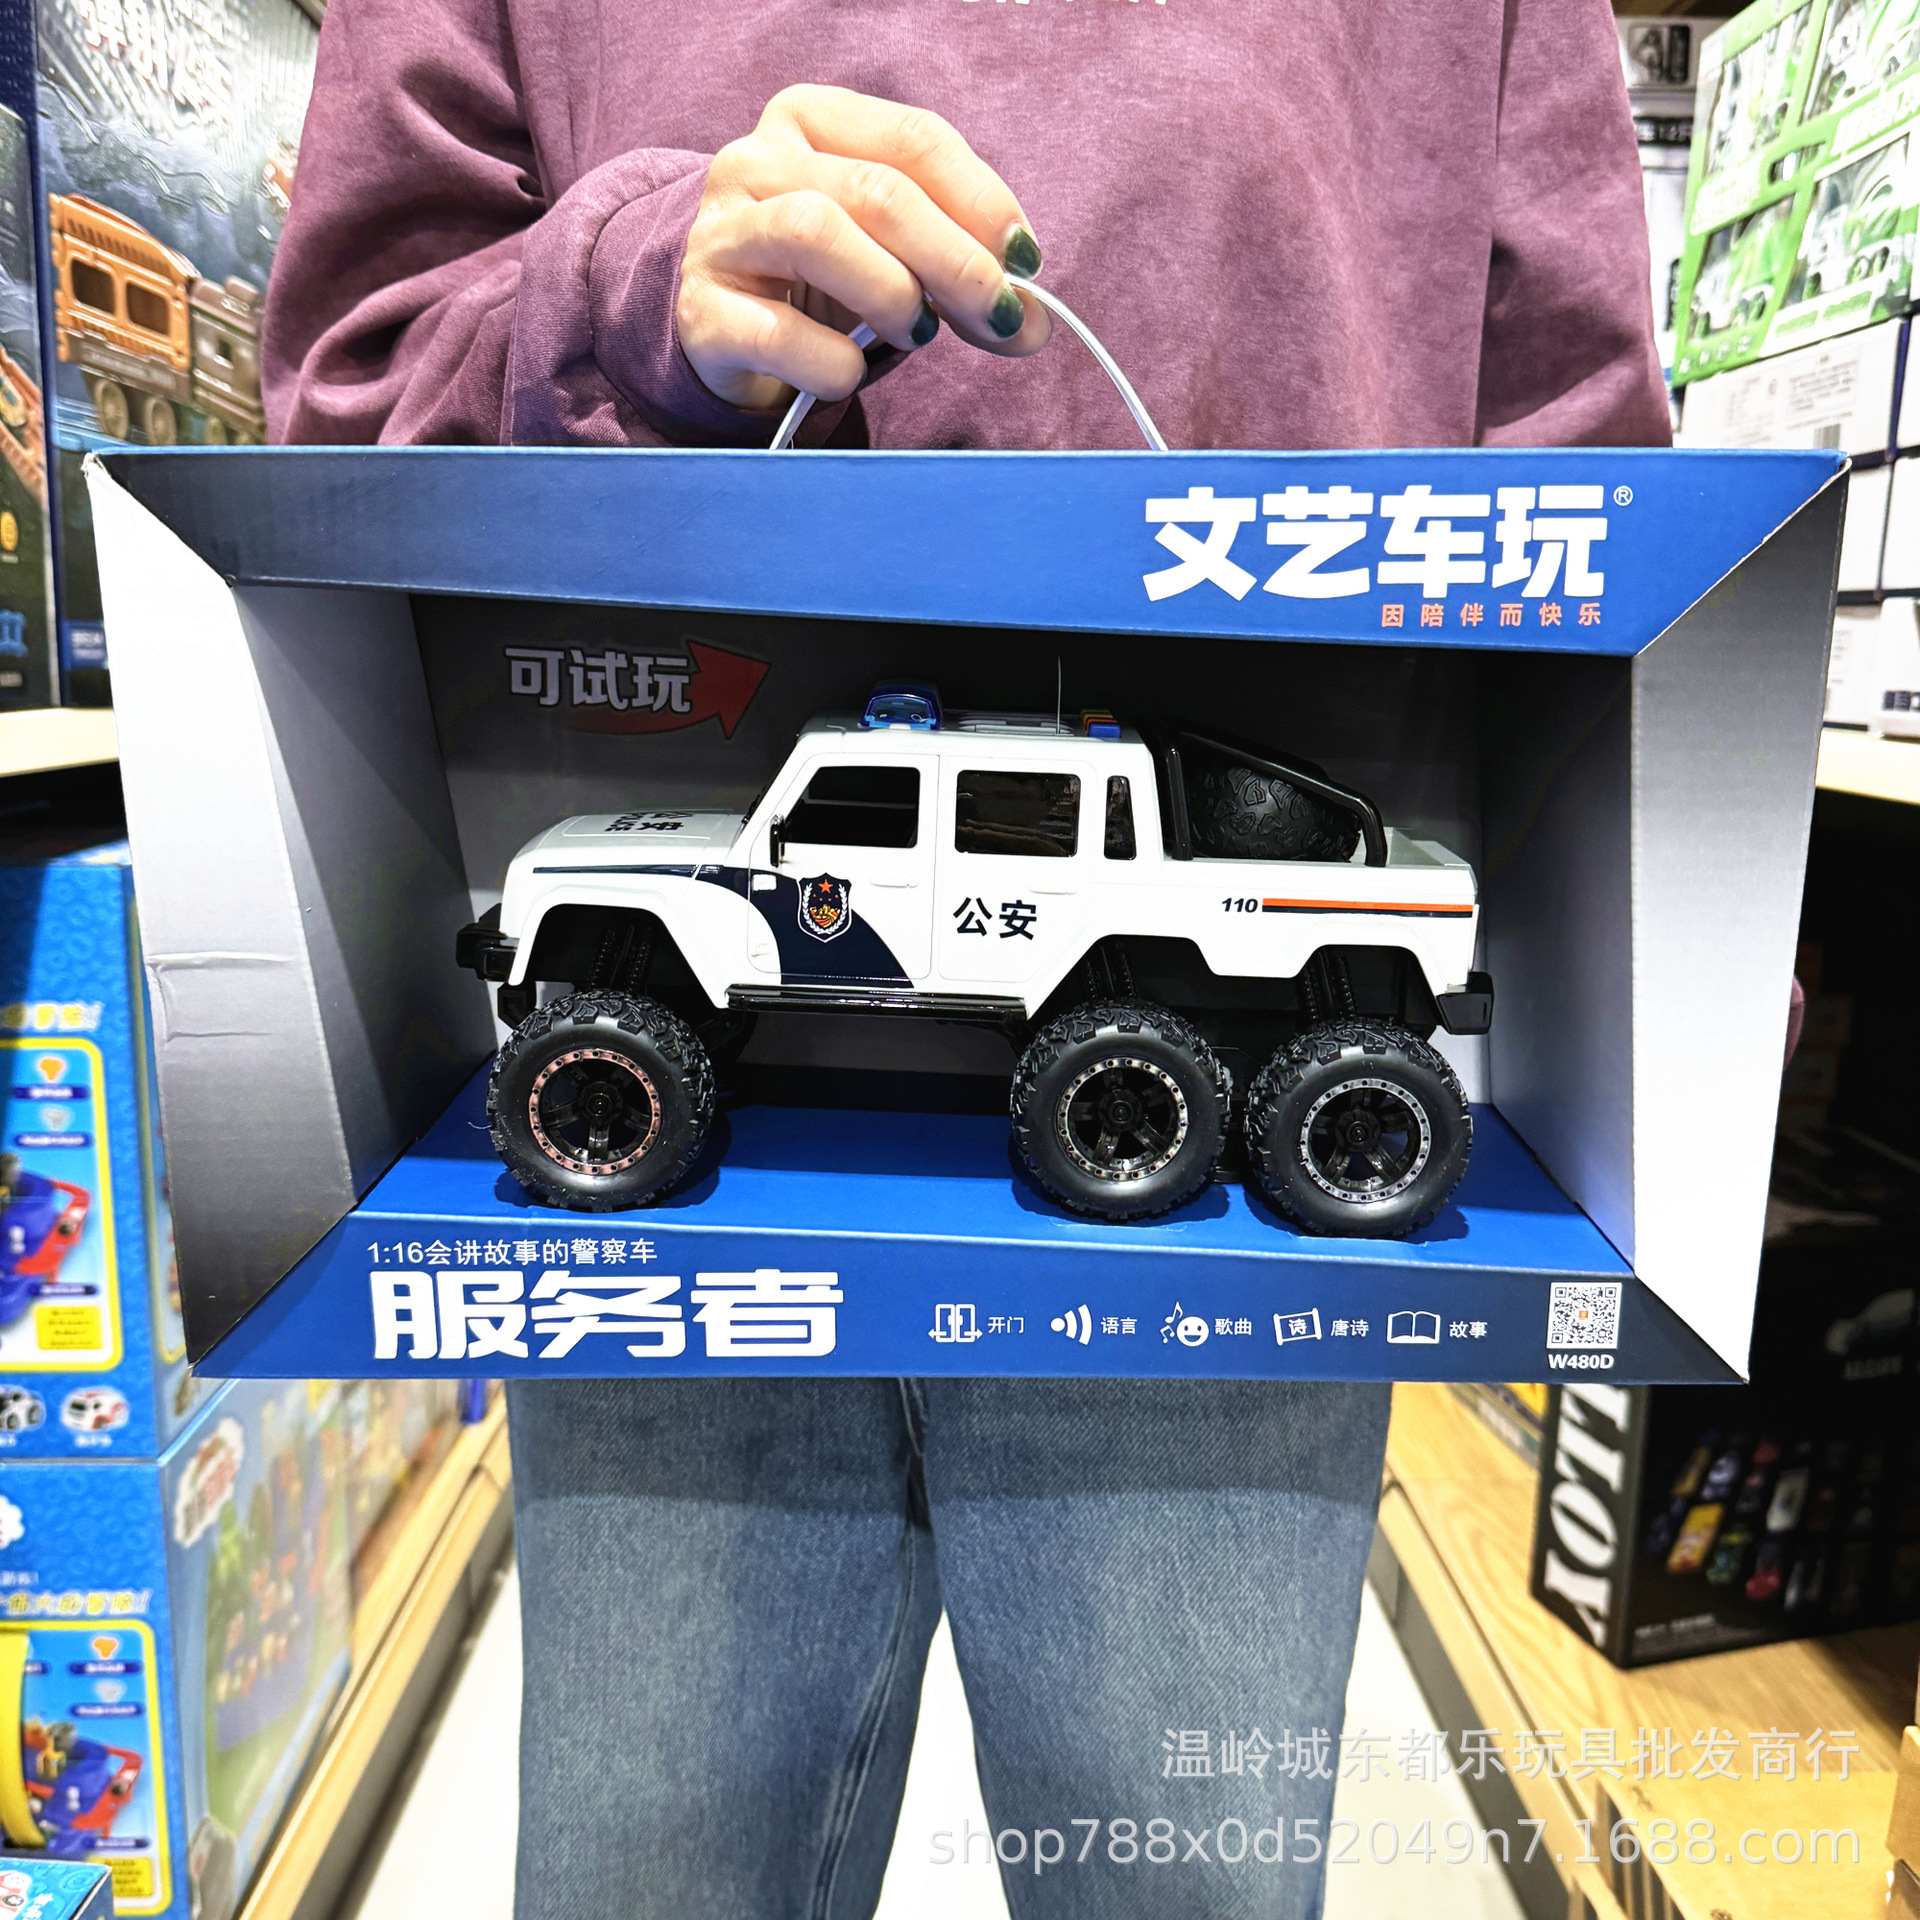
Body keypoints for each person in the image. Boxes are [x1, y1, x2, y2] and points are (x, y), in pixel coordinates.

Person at [264, 5, 1668, 1914]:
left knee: (1182, 1882)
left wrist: (1668, 968)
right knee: (648, 1873)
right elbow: (336, 401)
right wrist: (619, 291)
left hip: (1211, 1276)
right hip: (690, 1283)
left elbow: (1600, 484)